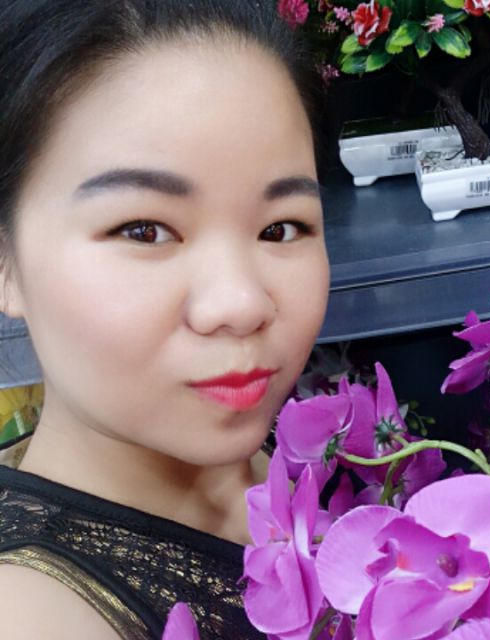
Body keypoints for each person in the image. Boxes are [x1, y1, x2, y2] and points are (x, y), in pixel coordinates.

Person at [0, 1, 330, 638]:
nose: (242, 304)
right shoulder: (33, 615)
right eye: (144, 230)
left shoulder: (305, 462)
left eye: (281, 228)